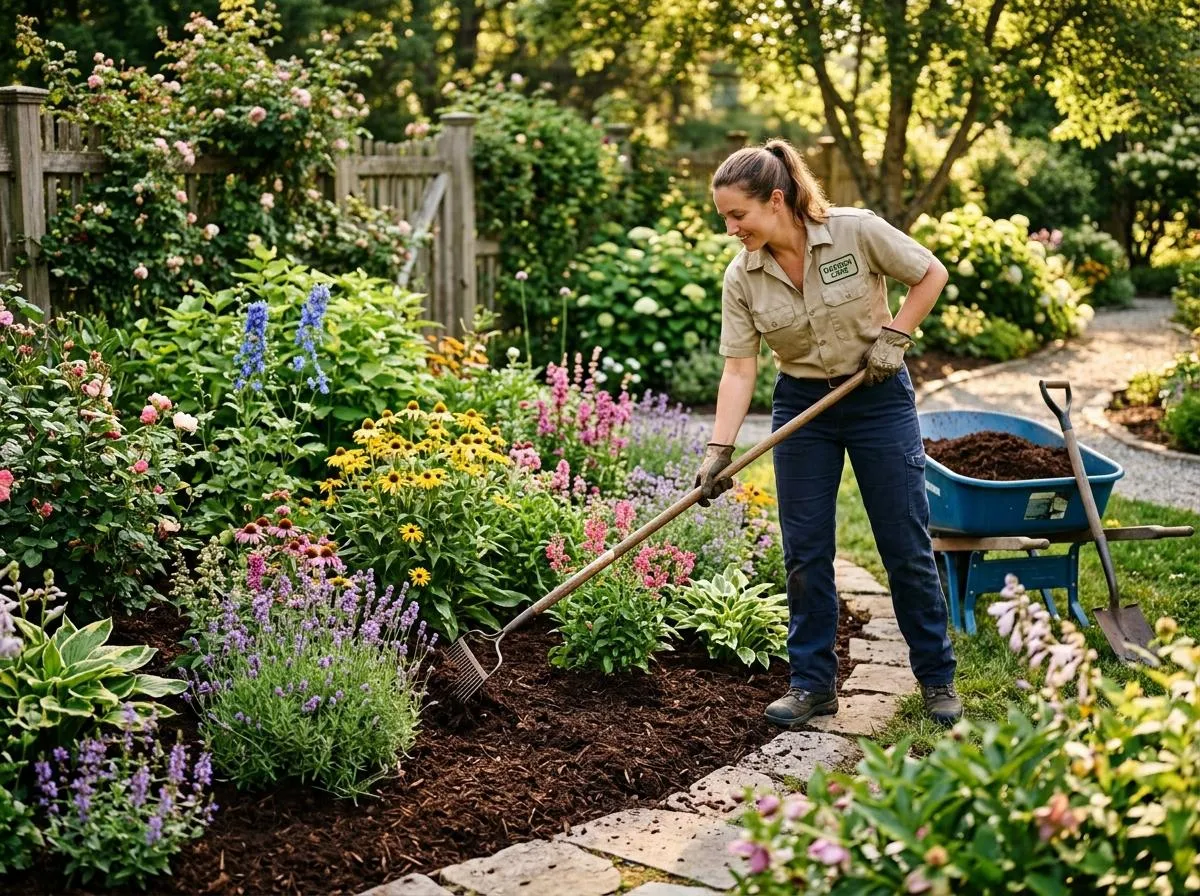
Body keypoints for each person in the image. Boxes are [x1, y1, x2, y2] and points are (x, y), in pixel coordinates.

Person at [695, 140, 962, 728]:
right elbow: (739, 368)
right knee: (806, 552)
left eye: (738, 215)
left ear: (776, 200)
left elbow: (930, 273)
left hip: (876, 396)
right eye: (725, 219)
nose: (732, 228)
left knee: (904, 541)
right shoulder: (742, 276)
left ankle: (937, 678)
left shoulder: (854, 230)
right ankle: (812, 683)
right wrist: (719, 449)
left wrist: (896, 335)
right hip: (802, 407)